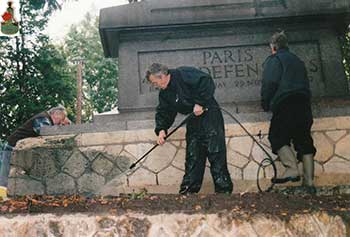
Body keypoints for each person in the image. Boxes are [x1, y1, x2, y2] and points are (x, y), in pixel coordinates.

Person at [145, 63, 233, 194]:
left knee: (216, 153)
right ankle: (188, 192)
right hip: (193, 119)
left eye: (154, 82)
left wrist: (200, 102)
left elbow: (206, 81)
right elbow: (164, 111)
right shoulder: (165, 93)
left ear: (162, 76)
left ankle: (223, 192)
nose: (154, 86)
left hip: (210, 115)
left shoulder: (183, 74)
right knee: (193, 155)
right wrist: (162, 129)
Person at [260, 31, 317, 193]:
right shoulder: (298, 61)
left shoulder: (275, 59)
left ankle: (291, 168)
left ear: (273, 47)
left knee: (277, 136)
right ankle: (309, 183)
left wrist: (265, 102)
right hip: (304, 103)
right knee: (304, 141)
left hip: (285, 103)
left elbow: (270, 82)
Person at [0, 106, 71, 200]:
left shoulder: (45, 118)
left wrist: (66, 124)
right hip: (11, 147)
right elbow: (45, 132)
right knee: (5, 174)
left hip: (17, 147)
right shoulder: (43, 118)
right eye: (61, 119)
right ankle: (2, 198)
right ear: (56, 114)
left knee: (8, 174)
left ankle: (4, 197)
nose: (60, 123)